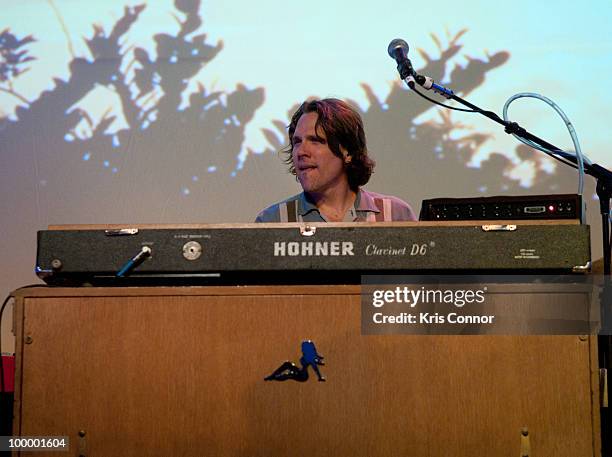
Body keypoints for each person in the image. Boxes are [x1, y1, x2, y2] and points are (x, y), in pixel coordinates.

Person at [255, 98, 416, 222]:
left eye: (315, 140)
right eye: (297, 142)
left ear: (348, 151)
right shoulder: (274, 220)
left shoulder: (394, 214)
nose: (301, 151)